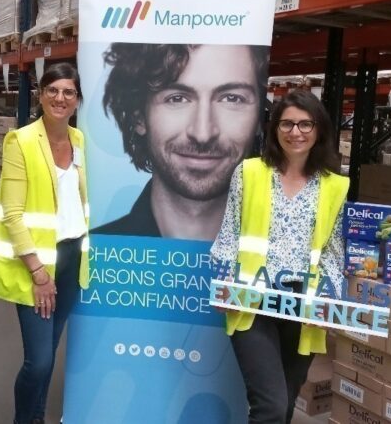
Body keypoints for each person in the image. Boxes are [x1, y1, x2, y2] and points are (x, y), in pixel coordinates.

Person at [210, 90, 348, 424]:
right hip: (252, 299)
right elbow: (229, 234)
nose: (295, 132)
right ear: (274, 129)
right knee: (270, 406)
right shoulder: (250, 173)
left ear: (318, 129)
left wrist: (329, 301)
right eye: (286, 124)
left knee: (284, 407)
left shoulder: (334, 186)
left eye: (305, 124)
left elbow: (332, 252)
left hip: (303, 305)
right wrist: (223, 283)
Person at [0, 62, 89, 424]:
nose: (60, 98)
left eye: (69, 92)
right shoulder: (22, 141)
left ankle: (37, 417)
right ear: (41, 96)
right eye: (53, 90)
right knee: (40, 360)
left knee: (51, 349)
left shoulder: (78, 140)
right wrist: (38, 272)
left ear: (77, 99)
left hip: (72, 257)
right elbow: (12, 214)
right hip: (38, 263)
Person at [94, 42, 269, 240]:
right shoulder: (91, 252)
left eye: (232, 98)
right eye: (177, 98)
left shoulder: (285, 248)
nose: (203, 134)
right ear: (139, 117)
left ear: (259, 118)